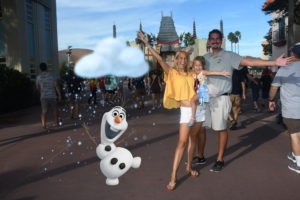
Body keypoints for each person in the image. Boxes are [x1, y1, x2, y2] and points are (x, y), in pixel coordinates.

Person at [203, 29, 292, 172]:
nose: (215, 41)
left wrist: (274, 61)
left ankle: (220, 159)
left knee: (221, 129)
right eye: (212, 39)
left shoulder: (229, 56)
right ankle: (200, 156)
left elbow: (248, 60)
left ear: (221, 40)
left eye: (217, 38)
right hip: (206, 99)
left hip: (222, 97)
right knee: (202, 128)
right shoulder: (204, 58)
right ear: (208, 41)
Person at [138, 31, 199, 191]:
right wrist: (146, 43)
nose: (182, 60)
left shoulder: (193, 74)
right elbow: (159, 58)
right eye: (180, 58)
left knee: (193, 140)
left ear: (187, 61)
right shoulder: (171, 73)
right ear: (176, 60)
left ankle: (189, 166)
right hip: (186, 112)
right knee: (182, 142)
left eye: (185, 58)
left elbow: (201, 88)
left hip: (199, 110)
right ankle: (173, 175)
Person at [187, 56, 230, 169]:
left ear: (203, 66)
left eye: (200, 65)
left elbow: (212, 72)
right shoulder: (193, 72)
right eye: (196, 65)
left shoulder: (202, 72)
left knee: (193, 101)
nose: (198, 67)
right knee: (199, 114)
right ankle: (200, 156)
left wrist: (222, 73)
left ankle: (192, 117)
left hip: (206, 91)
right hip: (203, 95)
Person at [268, 43, 300, 173]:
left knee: (295, 135)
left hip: (291, 109)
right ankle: (294, 154)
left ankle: (299, 164)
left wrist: (271, 100)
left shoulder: (284, 69)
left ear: (293, 54)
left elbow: (274, 87)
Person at [36, 62, 61, 129]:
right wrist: (59, 95)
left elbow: (37, 87)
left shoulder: (38, 77)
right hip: (52, 95)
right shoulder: (52, 75)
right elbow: (56, 85)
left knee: (44, 110)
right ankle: (56, 123)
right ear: (46, 67)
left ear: (40, 69)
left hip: (43, 96)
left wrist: (42, 92)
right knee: (55, 109)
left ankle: (44, 124)